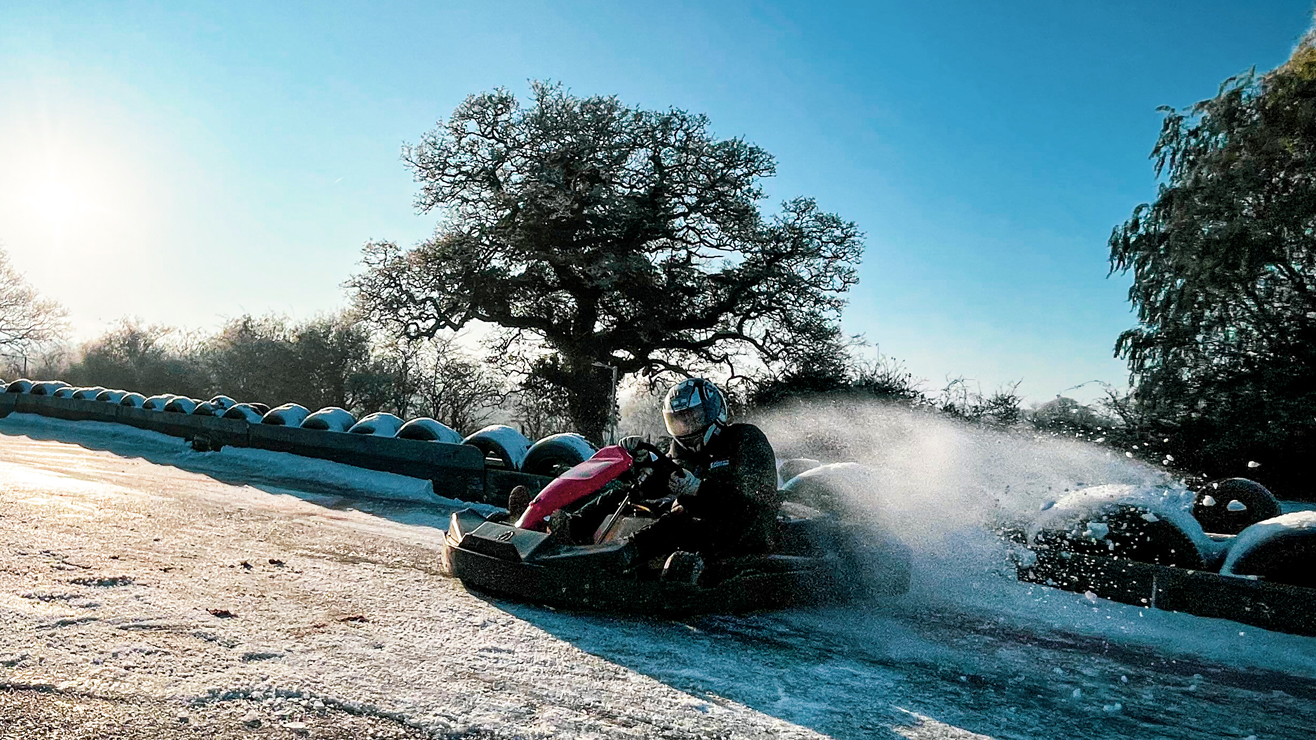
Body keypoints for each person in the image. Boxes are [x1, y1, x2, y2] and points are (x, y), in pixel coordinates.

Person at [551, 378, 779, 583]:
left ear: (713, 413)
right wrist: (642, 466)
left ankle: (615, 559)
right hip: (696, 516)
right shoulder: (682, 450)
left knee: (678, 521)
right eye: (679, 421)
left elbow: (752, 498)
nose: (686, 428)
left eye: (692, 418)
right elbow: (659, 485)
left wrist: (699, 489)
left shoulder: (745, 440)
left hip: (744, 527)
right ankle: (570, 528)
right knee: (623, 494)